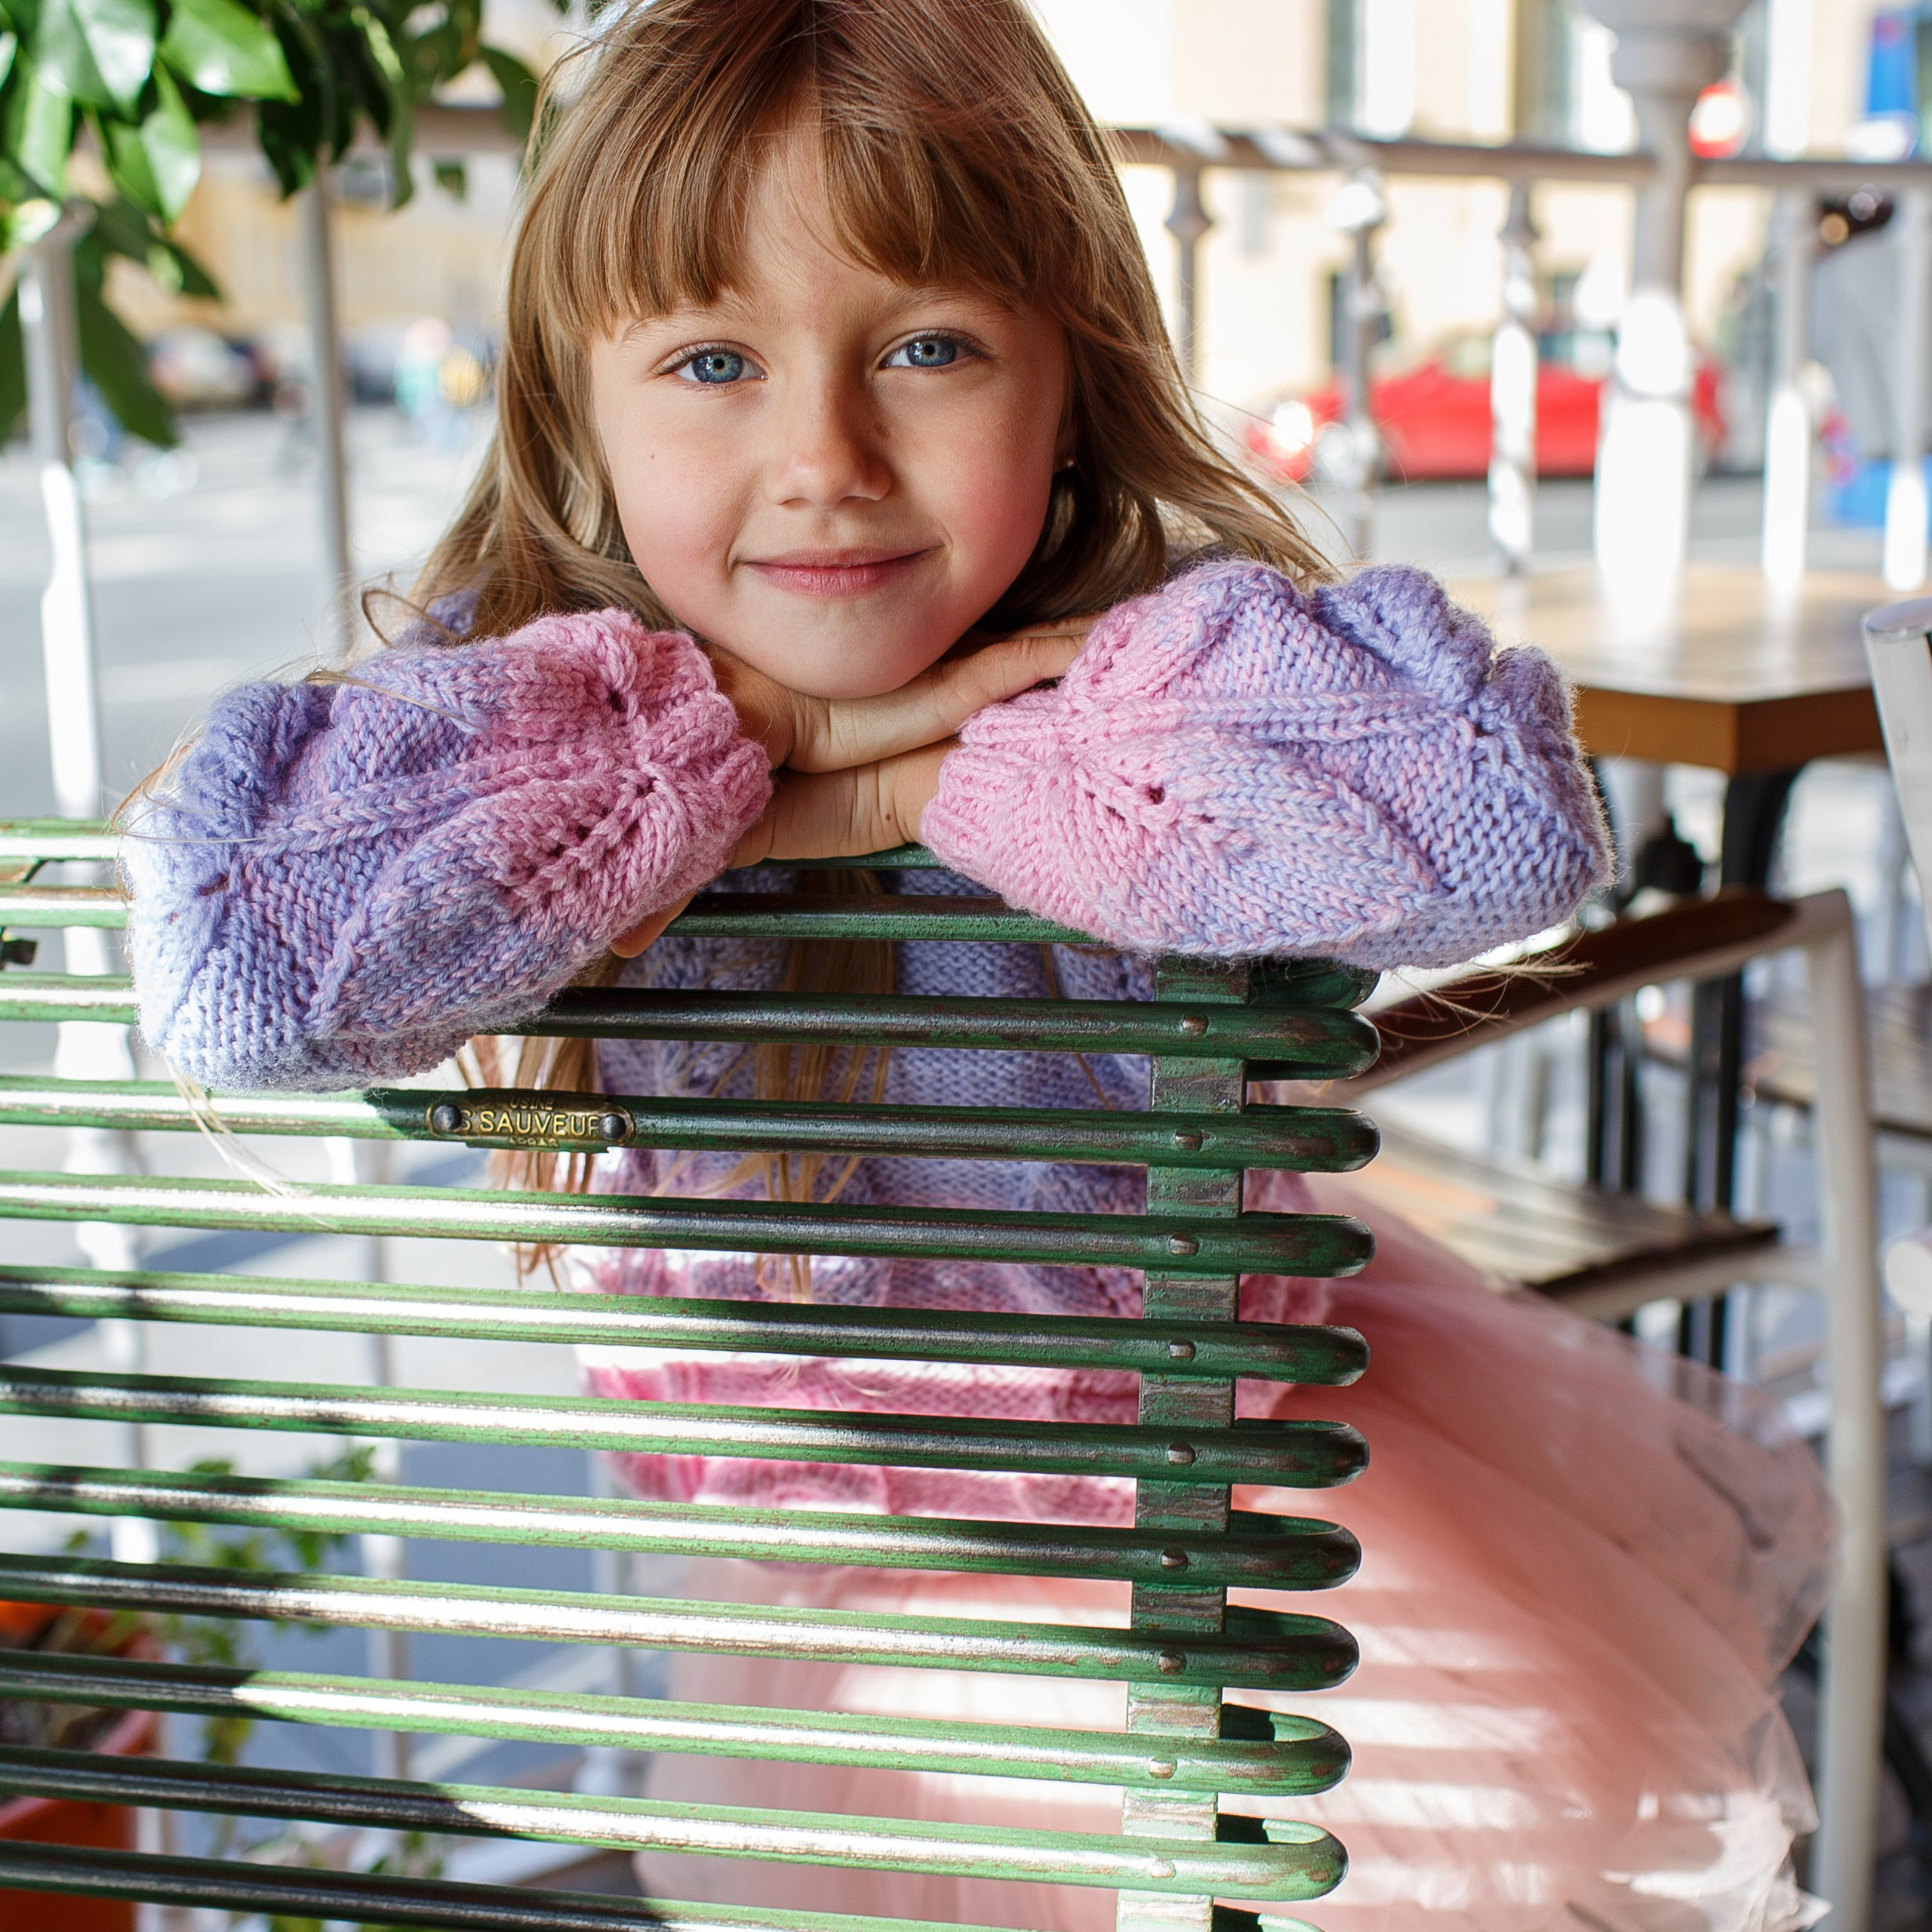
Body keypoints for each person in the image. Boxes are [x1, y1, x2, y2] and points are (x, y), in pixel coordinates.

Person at [118, 3, 1832, 1927]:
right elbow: (231, 960)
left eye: (926, 346)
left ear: (1068, 380)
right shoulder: (552, 721)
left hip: (1201, 1558)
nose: (825, 457)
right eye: (709, 360)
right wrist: (769, 775)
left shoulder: (1153, 660)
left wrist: (996, 760)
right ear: (573, 411)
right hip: (812, 1601)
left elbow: (1497, 812)